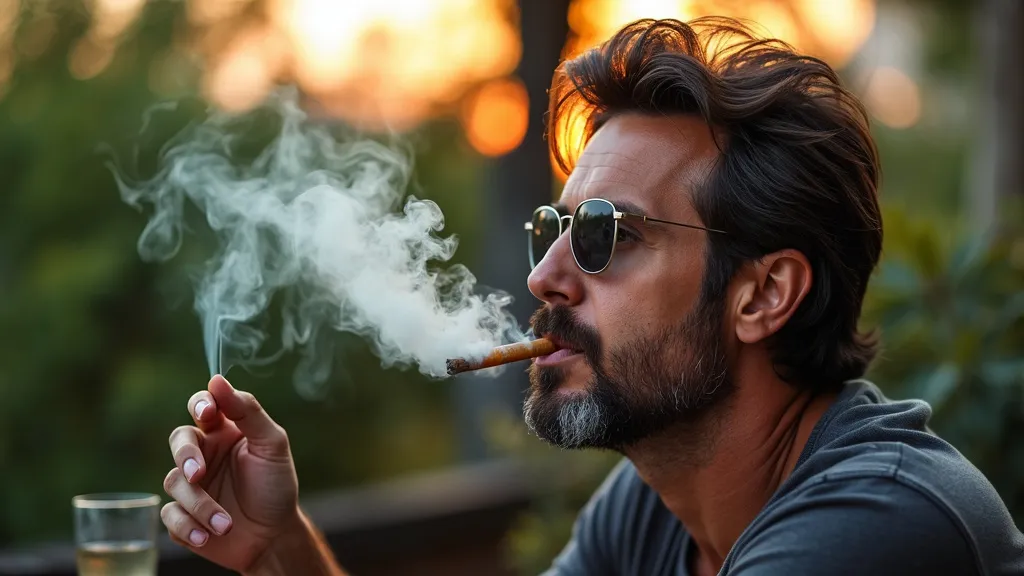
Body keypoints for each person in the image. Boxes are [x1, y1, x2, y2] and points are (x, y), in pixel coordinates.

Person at [160, 16, 1024, 576]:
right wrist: (284, 549)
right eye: (555, 228)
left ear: (763, 296)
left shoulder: (879, 527)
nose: (544, 277)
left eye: (610, 234)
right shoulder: (653, 505)